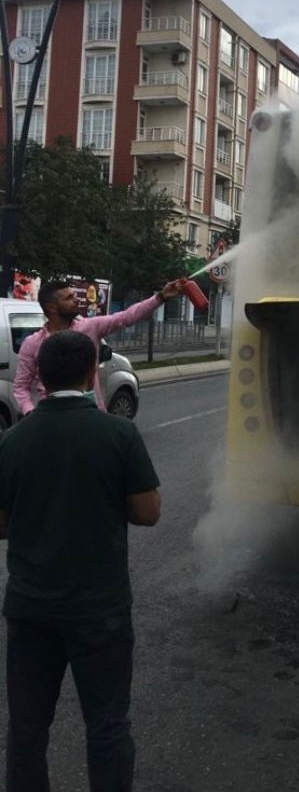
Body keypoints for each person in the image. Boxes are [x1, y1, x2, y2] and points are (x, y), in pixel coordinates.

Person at [0, 330, 161, 791]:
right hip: (100, 608)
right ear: (93, 372)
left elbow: (1, 522)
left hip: (30, 607)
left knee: (28, 729)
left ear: (41, 378)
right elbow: (148, 512)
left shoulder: (13, 439)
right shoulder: (119, 433)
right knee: (108, 725)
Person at [13, 278, 184, 415]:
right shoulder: (32, 343)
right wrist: (31, 412)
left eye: (74, 295)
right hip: (50, 421)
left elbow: (126, 317)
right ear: (51, 307)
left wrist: (160, 298)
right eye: (68, 298)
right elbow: (21, 386)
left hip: (90, 418)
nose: (76, 300)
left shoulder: (89, 327)